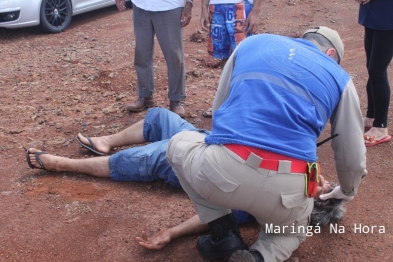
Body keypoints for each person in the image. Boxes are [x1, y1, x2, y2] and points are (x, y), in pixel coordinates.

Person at [166, 26, 367, 262]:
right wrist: (347, 190)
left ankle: (224, 235)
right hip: (287, 190)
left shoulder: (251, 44)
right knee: (291, 232)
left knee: (177, 142)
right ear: (331, 53)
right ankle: (261, 257)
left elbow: (220, 108)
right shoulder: (339, 77)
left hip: (221, 170)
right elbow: (351, 151)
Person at [125, 0, 194, 118]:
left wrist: (189, 3)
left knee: (174, 55)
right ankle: (145, 95)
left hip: (169, 7)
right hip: (141, 6)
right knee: (142, 53)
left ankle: (175, 99)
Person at [200, 0, 262, 118]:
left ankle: (244, 104)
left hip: (240, 5)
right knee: (224, 57)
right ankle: (224, 102)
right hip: (216, 6)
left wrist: (255, 10)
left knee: (244, 56)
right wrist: (204, 8)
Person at [355, 0, 393, 146]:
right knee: (371, 67)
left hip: (388, 15)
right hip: (373, 13)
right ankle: (371, 117)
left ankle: (381, 127)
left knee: (377, 70)